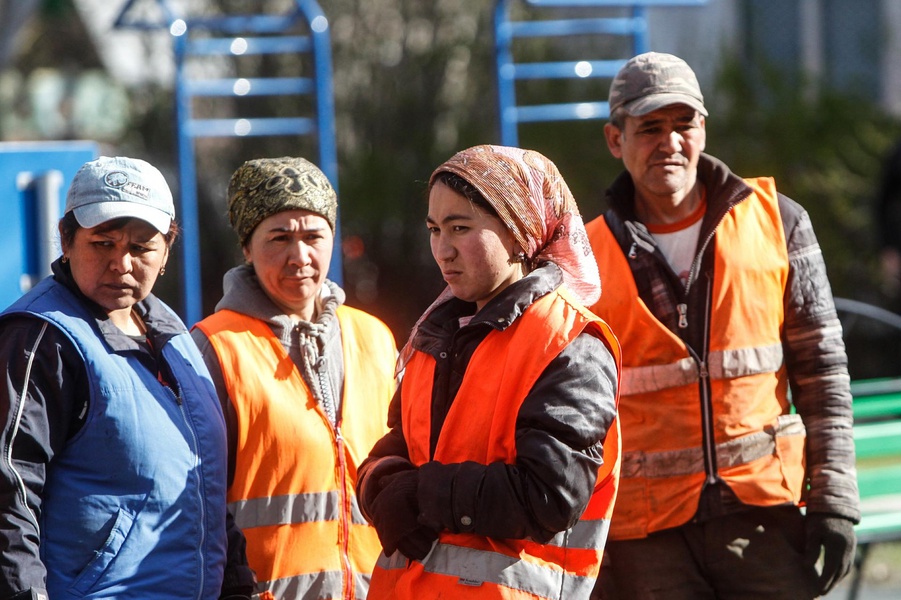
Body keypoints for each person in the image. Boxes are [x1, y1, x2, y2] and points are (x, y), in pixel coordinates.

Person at [584, 52, 860, 599]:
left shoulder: (779, 221)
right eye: (650, 128)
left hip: (762, 521)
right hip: (646, 541)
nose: (670, 142)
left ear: (703, 130)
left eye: (683, 124)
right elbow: (577, 414)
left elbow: (823, 373)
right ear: (615, 140)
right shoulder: (585, 258)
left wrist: (834, 500)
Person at [356, 144, 622, 599]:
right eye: (434, 229)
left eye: (461, 228)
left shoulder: (568, 341)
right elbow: (406, 442)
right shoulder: (434, 336)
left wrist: (422, 494)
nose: (443, 249)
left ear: (521, 234)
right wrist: (378, 485)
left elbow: (549, 495)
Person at [0, 156, 254, 599]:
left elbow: (203, 488)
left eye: (140, 247)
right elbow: (10, 491)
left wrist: (235, 585)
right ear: (66, 239)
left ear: (167, 251)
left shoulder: (173, 334)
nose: (121, 262)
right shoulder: (39, 337)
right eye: (103, 242)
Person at [191, 156, 398, 600]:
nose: (299, 256)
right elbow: (194, 501)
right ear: (247, 248)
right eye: (279, 237)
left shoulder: (375, 338)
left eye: (313, 236)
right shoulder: (215, 347)